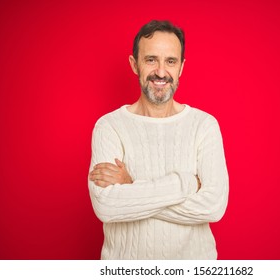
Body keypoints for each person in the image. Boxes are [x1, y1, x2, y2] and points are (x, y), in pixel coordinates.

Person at [88, 20, 229, 260]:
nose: (161, 72)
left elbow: (213, 207)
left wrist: (132, 186)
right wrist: (186, 185)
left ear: (181, 67)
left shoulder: (204, 125)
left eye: (170, 61)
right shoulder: (109, 126)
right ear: (135, 64)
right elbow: (107, 206)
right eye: (151, 60)